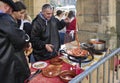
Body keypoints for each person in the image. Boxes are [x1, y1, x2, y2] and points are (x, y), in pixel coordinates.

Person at [0, 0, 30, 83]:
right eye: (21, 13)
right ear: (7, 7)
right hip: (9, 69)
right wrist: (27, 40)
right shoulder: (4, 19)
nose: (23, 15)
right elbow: (20, 40)